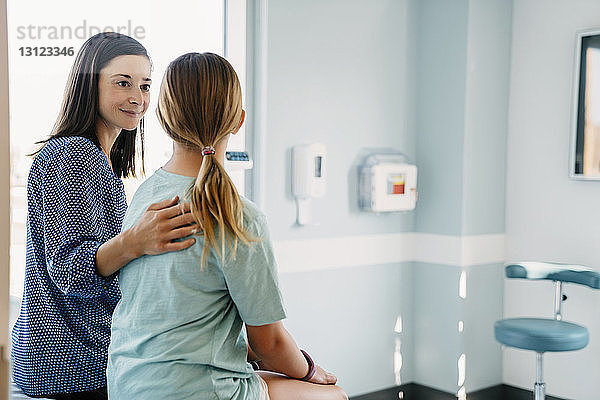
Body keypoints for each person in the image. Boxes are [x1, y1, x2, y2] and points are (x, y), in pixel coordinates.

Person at [106, 52, 347, 400]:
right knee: (335, 395)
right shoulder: (239, 216)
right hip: (198, 391)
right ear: (238, 121)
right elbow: (270, 343)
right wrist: (311, 370)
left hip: (127, 386)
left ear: (163, 119)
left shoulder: (144, 198)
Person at [11, 33, 197, 400]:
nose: (137, 98)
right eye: (122, 83)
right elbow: (68, 269)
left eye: (145, 86)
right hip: (71, 363)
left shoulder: (98, 160)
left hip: (75, 355)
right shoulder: (73, 156)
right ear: (89, 84)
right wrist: (135, 241)